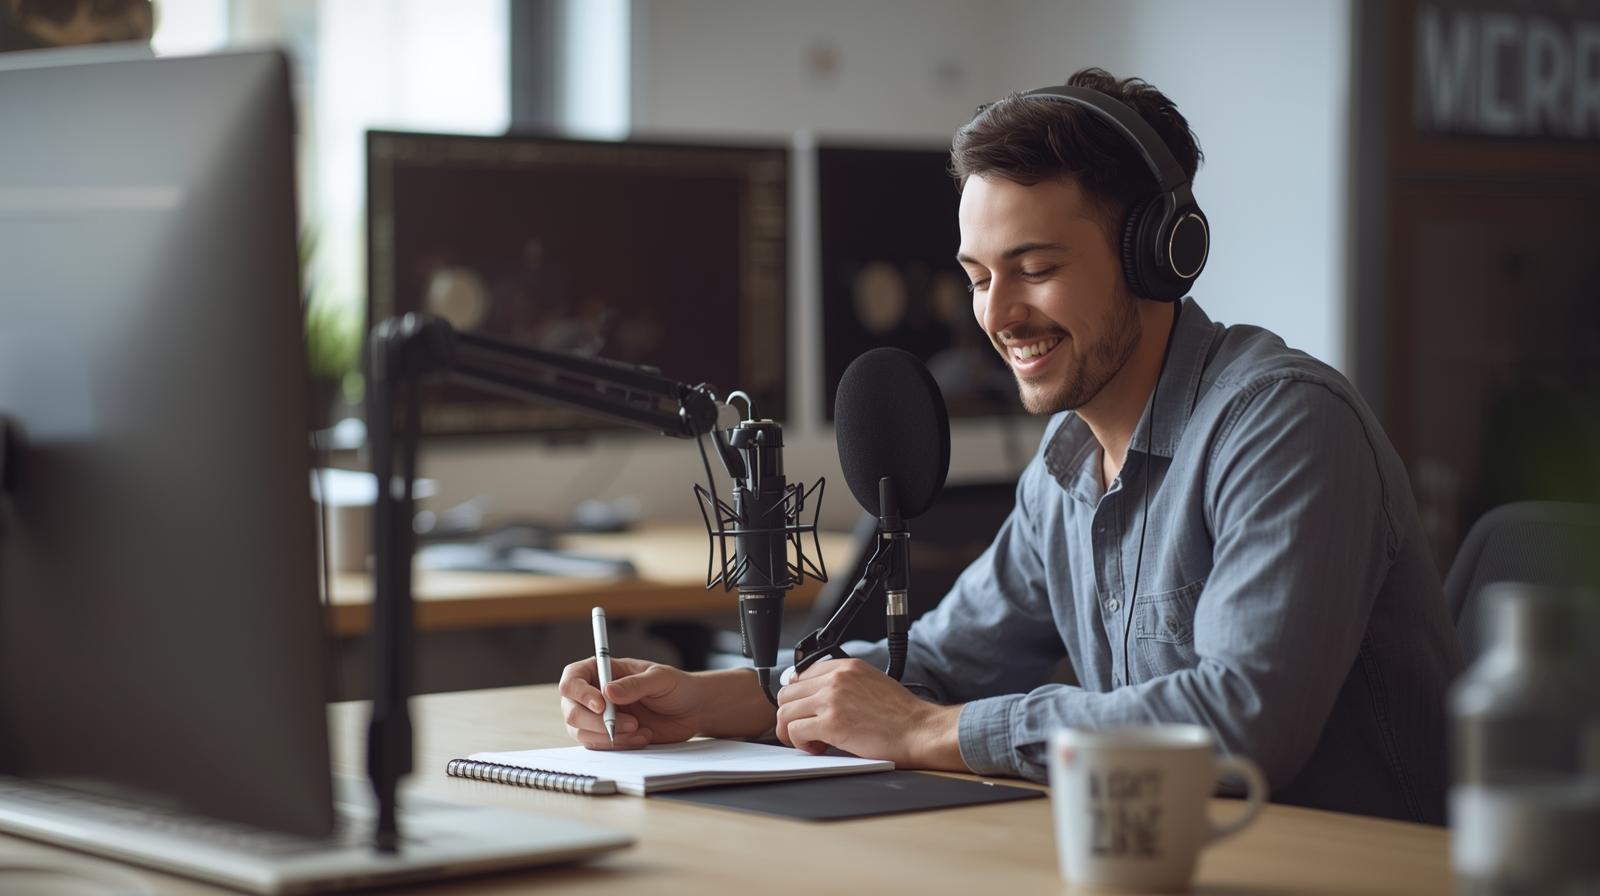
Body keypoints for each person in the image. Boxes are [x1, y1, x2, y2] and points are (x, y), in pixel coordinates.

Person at [559, 68, 1463, 825]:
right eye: (979, 277)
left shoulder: (1282, 426)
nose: (996, 316)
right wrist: (724, 699)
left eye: (1036, 270)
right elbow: (946, 661)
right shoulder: (1067, 463)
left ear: (1158, 255)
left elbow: (1240, 726)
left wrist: (924, 734)